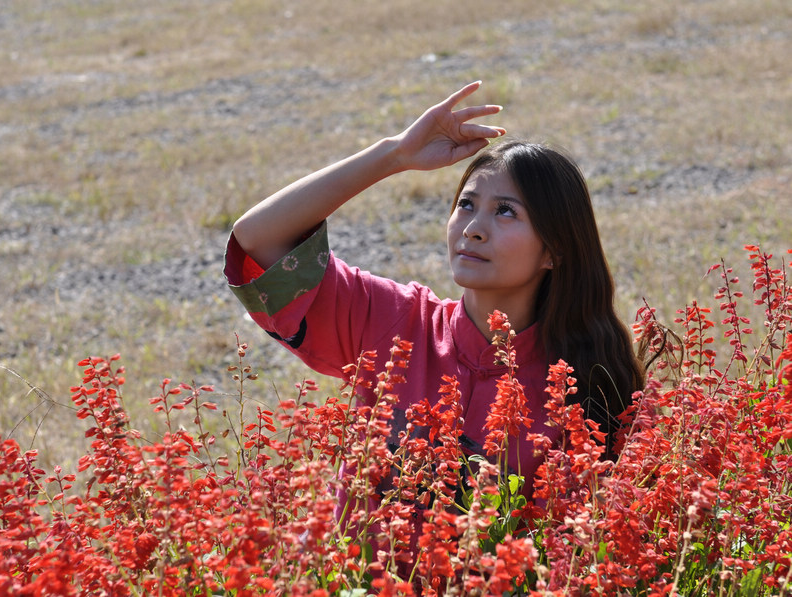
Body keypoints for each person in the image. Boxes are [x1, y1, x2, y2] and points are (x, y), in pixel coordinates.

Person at [224, 81, 643, 494]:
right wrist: (395, 154)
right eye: (466, 205)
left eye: (505, 212)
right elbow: (259, 240)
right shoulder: (393, 320)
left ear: (554, 250)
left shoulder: (578, 386)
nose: (474, 229)